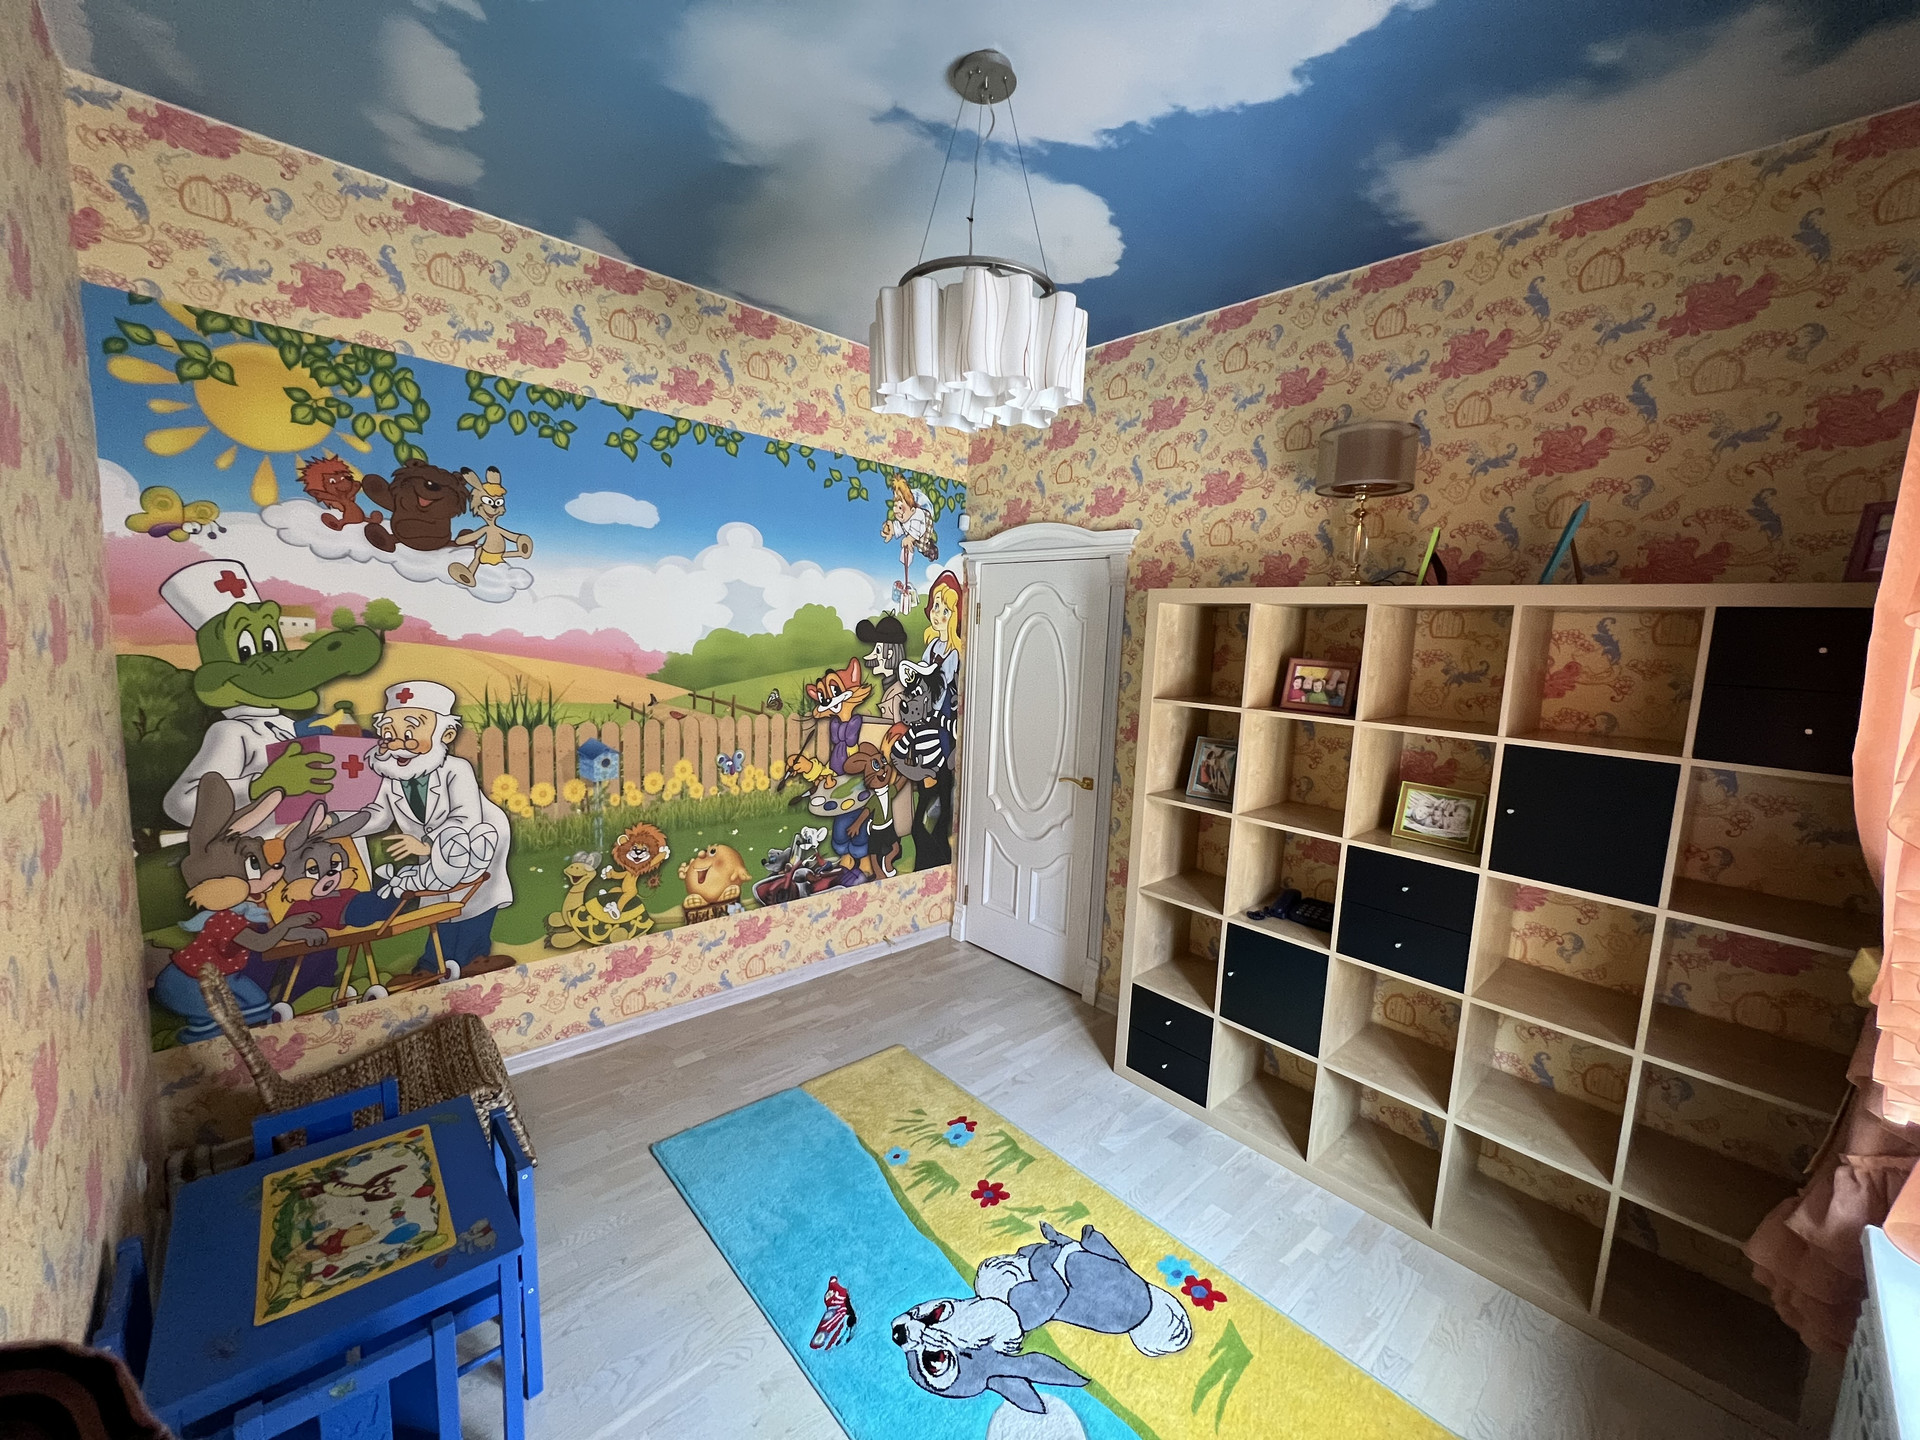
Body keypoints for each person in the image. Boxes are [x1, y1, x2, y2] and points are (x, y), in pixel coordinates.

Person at [349, 681, 514, 978]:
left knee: (473, 903)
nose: (399, 742)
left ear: (445, 735)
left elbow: (465, 818)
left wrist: (427, 845)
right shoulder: (393, 775)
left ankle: (473, 958)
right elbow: (378, 815)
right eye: (390, 732)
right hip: (436, 850)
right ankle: (432, 965)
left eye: (410, 731)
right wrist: (337, 824)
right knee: (439, 906)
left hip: (478, 842)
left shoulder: (457, 769)